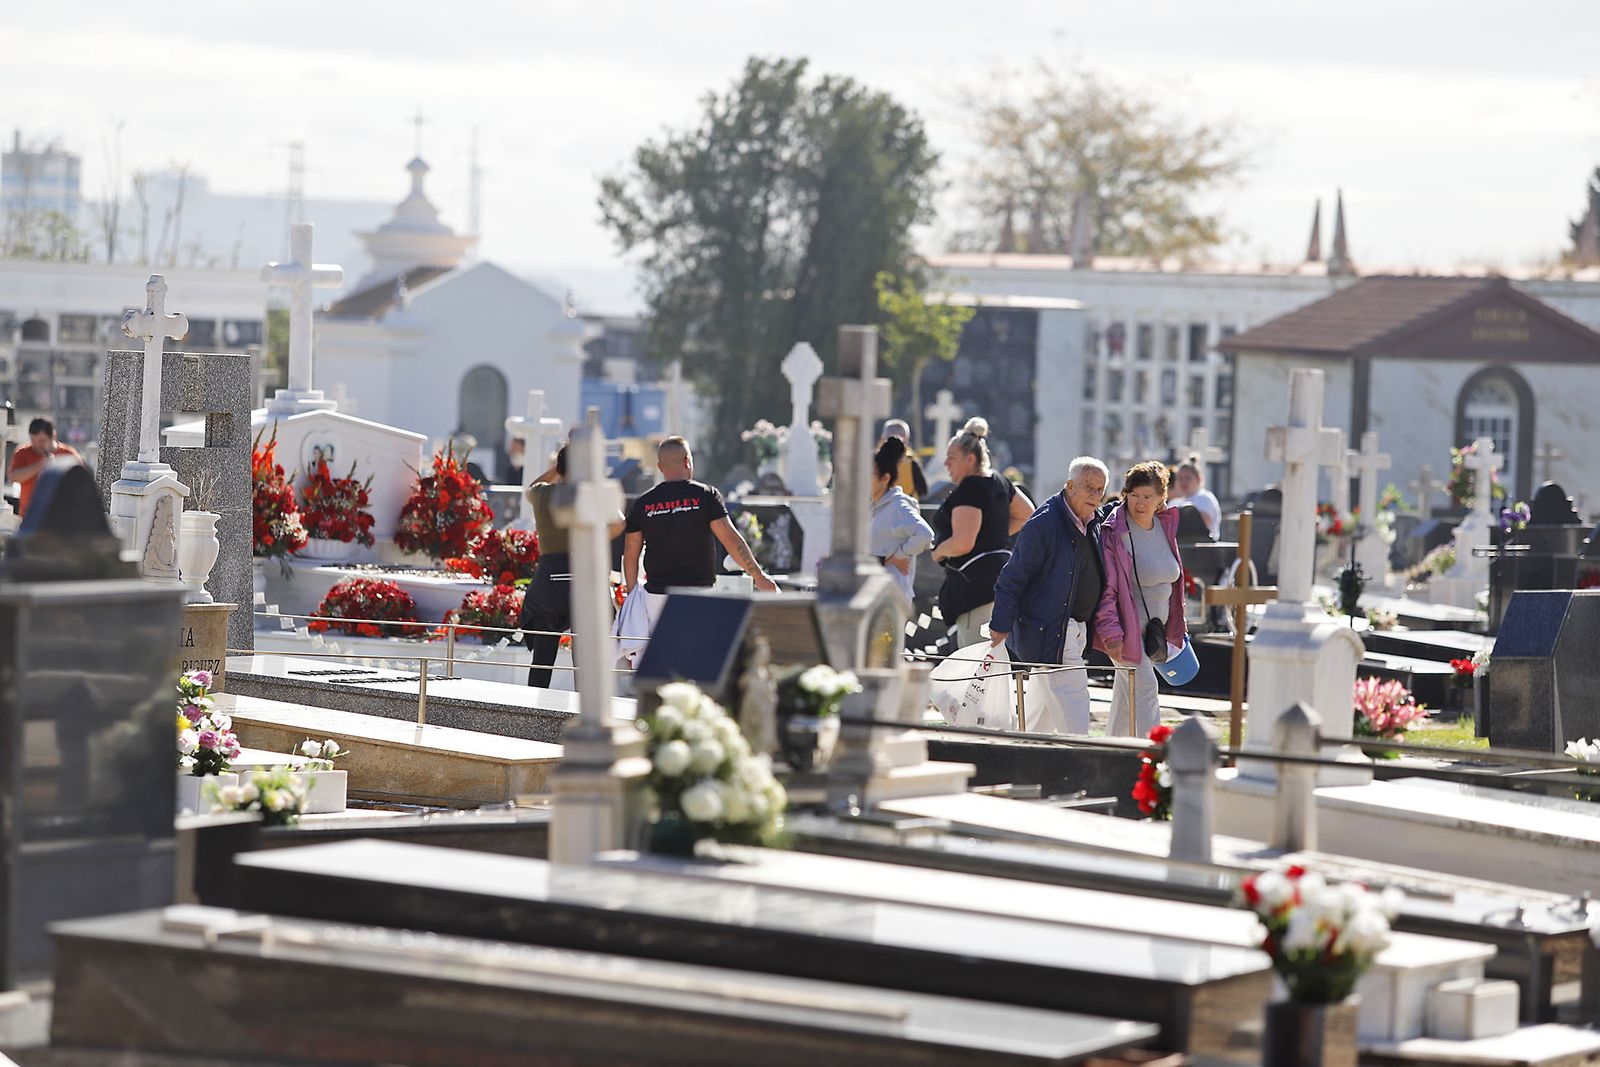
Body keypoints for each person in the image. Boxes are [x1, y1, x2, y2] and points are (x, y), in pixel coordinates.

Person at [988, 457, 1110, 734]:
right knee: (1074, 702)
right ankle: (1083, 762)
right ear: (1069, 486)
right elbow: (1013, 576)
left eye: (1099, 489)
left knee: (1038, 716)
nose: (1095, 495)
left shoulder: (1093, 520)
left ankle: (1024, 764)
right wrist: (1000, 625)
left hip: (1074, 629)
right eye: (1088, 486)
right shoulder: (1044, 523)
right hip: (1052, 627)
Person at [623, 437, 776, 632]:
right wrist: (759, 576)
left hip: (656, 597)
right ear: (687, 461)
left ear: (660, 467)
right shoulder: (705, 495)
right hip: (698, 595)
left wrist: (631, 593)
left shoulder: (643, 503)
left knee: (660, 654)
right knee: (695, 654)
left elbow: (630, 552)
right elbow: (730, 539)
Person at [1094, 460, 1189, 736]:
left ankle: (1110, 753)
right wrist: (1112, 634)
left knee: (1127, 697)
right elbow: (1108, 588)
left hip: (1154, 631)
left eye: (1148, 496)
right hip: (1126, 631)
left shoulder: (1164, 525)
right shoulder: (1116, 532)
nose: (1140, 503)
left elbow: (1174, 576)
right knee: (1146, 688)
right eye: (1134, 495)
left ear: (1162, 498)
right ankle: (1154, 757)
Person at [928, 417, 1036, 646]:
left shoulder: (970, 488)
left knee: (974, 657)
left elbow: (963, 543)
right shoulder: (999, 480)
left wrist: (938, 552)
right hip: (1002, 578)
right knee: (992, 658)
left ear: (970, 459)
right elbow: (1027, 513)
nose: (946, 463)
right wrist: (992, 535)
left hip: (975, 588)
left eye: (951, 458)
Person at [869, 437, 935, 603]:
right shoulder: (872, 506)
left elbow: (925, 535)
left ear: (885, 478)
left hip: (891, 598)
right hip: (873, 593)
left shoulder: (899, 506)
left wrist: (899, 555)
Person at [10, 418, 81, 517]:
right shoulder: (23, 452)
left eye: (42, 441)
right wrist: (40, 465)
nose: (37, 445)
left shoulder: (69, 454)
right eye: (33, 441)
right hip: (29, 516)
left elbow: (80, 481)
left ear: (53, 436)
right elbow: (13, 477)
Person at [1167, 456, 1222, 539]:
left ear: (1198, 479)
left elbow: (1201, 525)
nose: (1183, 482)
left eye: (1188, 478)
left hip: (1204, 548)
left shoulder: (1205, 498)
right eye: (1180, 478)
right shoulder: (1174, 502)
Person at [880, 418, 928, 500]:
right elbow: (923, 491)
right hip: (905, 506)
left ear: (883, 438)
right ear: (906, 439)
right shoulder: (911, 462)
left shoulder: (873, 460)